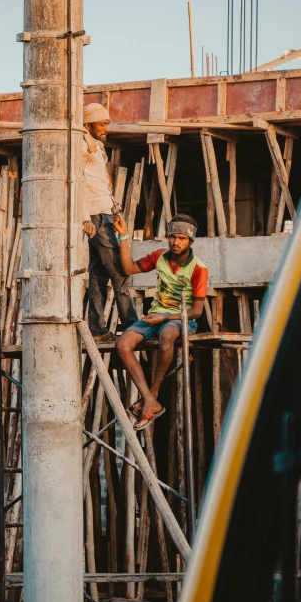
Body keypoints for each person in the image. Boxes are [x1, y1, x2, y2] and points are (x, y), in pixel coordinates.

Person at [114, 213, 208, 431]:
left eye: (182, 238)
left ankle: (153, 392)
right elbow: (128, 269)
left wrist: (165, 317)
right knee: (122, 344)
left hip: (179, 319)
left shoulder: (198, 268)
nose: (176, 242)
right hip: (155, 315)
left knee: (167, 336)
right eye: (172, 237)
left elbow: (196, 311)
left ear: (191, 241)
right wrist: (123, 236)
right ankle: (149, 399)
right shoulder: (159, 256)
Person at [82, 102, 139, 341]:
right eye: (102, 124)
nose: (106, 128)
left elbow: (98, 183)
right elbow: (76, 182)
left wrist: (113, 207)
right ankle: (133, 325)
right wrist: (84, 216)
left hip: (103, 212)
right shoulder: (81, 146)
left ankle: (96, 329)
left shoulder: (95, 146)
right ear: (88, 124)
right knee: (120, 271)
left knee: (98, 275)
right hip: (95, 215)